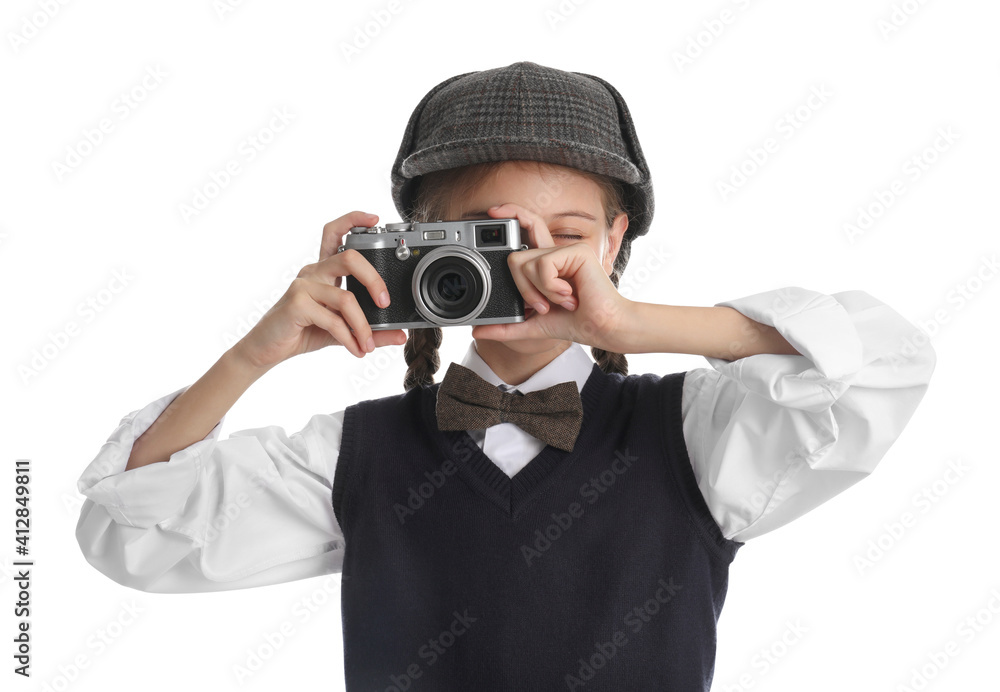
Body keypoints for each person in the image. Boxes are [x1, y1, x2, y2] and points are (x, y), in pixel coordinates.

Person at [75, 61, 937, 690]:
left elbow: (877, 366)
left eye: (564, 234)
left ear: (615, 241)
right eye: (486, 239)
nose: (522, 263)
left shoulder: (697, 436)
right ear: (414, 248)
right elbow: (134, 534)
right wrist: (252, 355)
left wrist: (633, 324)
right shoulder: (356, 454)